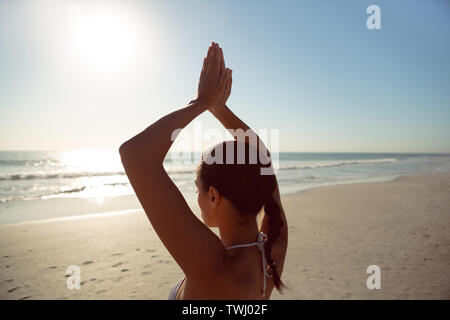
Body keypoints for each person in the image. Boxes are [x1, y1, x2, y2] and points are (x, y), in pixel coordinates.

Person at [119, 42, 288, 299]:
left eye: (196, 188)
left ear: (213, 195)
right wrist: (217, 108)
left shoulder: (213, 267)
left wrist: (201, 103)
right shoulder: (271, 251)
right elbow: (262, 160)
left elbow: (136, 154)